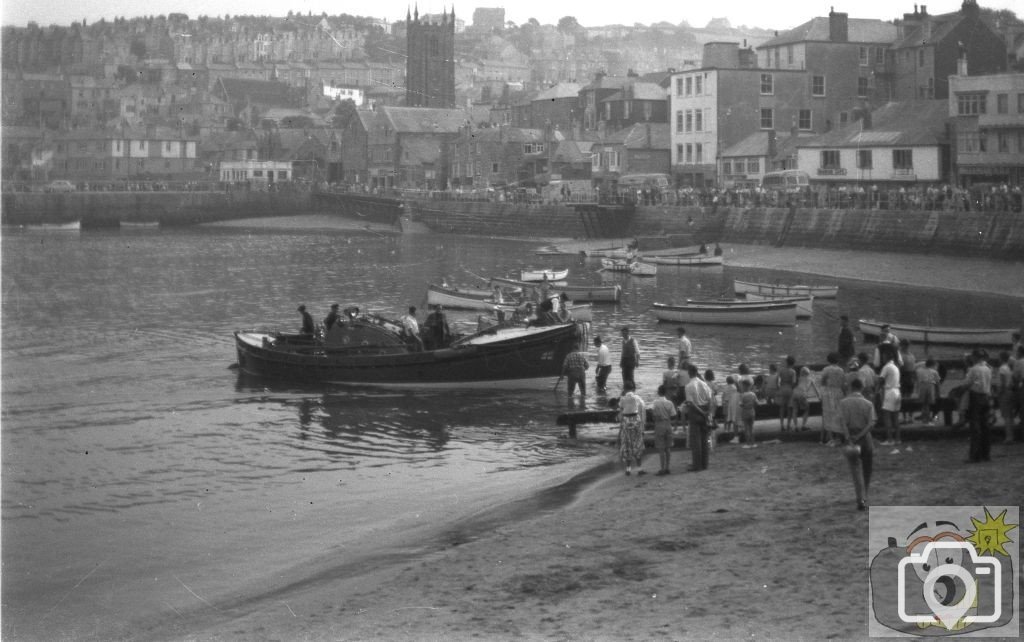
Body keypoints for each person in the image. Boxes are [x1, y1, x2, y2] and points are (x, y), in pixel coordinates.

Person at [838, 378, 877, 511]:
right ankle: (864, 495)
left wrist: (848, 437)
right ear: (862, 388)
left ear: (850, 387)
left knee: (855, 469)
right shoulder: (868, 404)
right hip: (865, 437)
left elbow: (842, 422)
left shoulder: (843, 403)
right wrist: (860, 435)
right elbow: (871, 423)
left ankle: (859, 497)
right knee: (867, 468)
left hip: (850, 437)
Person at [963, 349, 993, 463]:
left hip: (975, 397)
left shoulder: (973, 369)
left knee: (975, 427)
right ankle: (986, 453)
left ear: (975, 357)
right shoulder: (987, 368)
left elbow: (967, 383)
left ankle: (975, 455)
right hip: (985, 396)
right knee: (985, 426)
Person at [684, 364, 713, 471]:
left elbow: (691, 403)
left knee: (696, 441)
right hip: (705, 410)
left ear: (689, 373)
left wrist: (701, 412)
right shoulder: (704, 384)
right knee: (704, 440)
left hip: (695, 413)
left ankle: (697, 465)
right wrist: (707, 412)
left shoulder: (689, 386)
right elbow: (710, 400)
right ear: (697, 372)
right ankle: (705, 464)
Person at [617, 382, 646, 476]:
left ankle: (628, 469)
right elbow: (642, 410)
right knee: (637, 443)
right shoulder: (637, 398)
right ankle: (639, 468)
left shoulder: (622, 399)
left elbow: (620, 411)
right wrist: (642, 428)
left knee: (627, 444)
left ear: (624, 389)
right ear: (633, 389)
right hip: (635, 420)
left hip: (626, 420)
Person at [819, 353, 848, 445]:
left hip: (828, 392)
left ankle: (830, 438)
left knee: (828, 415)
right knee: (838, 414)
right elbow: (843, 383)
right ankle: (838, 437)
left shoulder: (826, 369)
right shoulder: (841, 370)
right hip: (839, 392)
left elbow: (822, 381)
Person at [877, 344, 902, 447]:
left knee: (887, 417)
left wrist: (876, 390)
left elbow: (881, 379)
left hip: (890, 391)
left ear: (886, 357)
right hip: (897, 391)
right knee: (895, 417)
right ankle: (897, 439)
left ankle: (890, 439)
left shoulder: (886, 367)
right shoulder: (895, 367)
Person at [651, 384, 677, 476]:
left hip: (659, 424)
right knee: (668, 447)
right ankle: (667, 467)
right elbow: (673, 415)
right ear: (665, 392)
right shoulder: (669, 403)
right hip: (668, 424)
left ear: (658, 392)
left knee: (661, 448)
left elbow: (654, 415)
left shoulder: (655, 403)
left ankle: (662, 468)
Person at [789, 366, 820, 432]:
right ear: (808, 373)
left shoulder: (799, 378)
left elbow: (794, 385)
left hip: (795, 393)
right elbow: (816, 390)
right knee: (807, 409)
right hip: (802, 394)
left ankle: (795, 427)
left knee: (795, 410)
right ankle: (803, 426)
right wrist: (819, 396)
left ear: (801, 373)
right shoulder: (810, 379)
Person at [996, 351, 1015, 443]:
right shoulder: (1008, 368)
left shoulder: (1002, 369)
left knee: (1006, 416)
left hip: (1004, 393)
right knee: (1010, 415)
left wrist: (998, 393)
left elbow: (1002, 383)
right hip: (1009, 391)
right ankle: (1011, 435)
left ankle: (1009, 436)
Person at [914, 358, 940, 425]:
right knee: (927, 405)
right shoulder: (934, 372)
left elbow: (916, 377)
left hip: (921, 387)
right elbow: (937, 382)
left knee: (924, 405)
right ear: (932, 365)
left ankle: (924, 419)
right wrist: (938, 393)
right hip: (930, 387)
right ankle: (927, 420)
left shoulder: (919, 370)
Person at [777, 356, 797, 431]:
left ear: (786, 362)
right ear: (793, 363)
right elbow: (794, 382)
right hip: (789, 390)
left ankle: (782, 425)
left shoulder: (781, 370)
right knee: (789, 408)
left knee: (782, 408)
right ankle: (788, 425)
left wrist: (779, 387)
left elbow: (777, 380)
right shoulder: (793, 372)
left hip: (782, 389)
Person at [738, 379, 758, 447]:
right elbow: (756, 403)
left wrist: (745, 405)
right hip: (752, 411)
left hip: (745, 412)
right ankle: (753, 443)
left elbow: (740, 404)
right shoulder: (753, 394)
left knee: (746, 428)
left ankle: (748, 443)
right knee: (752, 427)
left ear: (744, 386)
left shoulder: (743, 395)